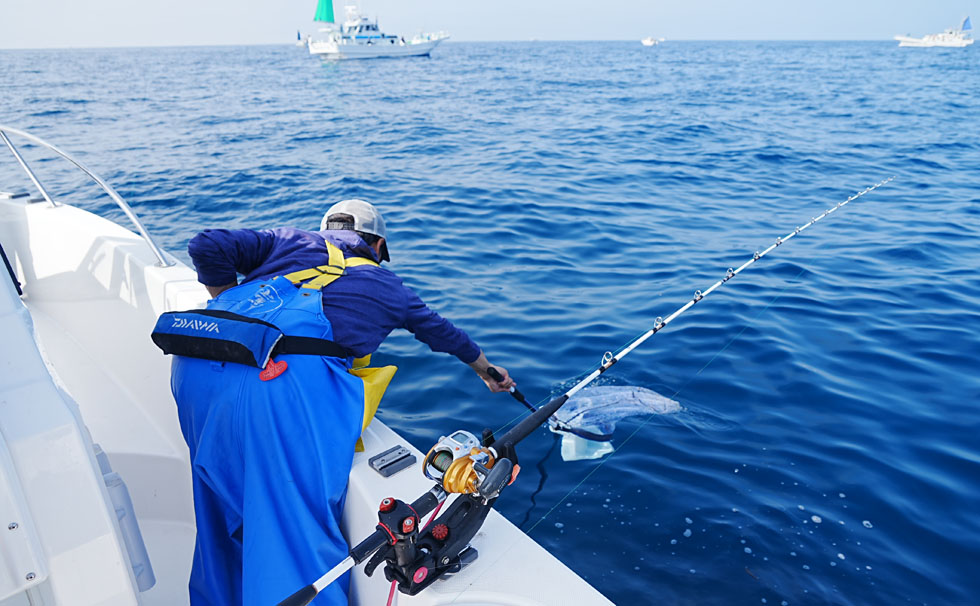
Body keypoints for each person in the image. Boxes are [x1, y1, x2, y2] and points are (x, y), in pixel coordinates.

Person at [167, 199, 514, 605]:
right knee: (291, 531)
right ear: (379, 247)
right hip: (275, 389)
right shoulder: (391, 289)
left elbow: (206, 244)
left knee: (218, 512)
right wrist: (487, 370)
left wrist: (237, 317)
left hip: (197, 367)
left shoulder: (285, 241)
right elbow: (446, 335)